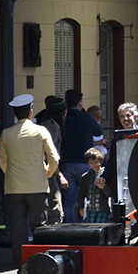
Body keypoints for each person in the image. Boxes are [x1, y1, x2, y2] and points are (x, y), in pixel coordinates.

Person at [0, 94, 59, 273]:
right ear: (31, 112)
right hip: (38, 186)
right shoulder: (40, 131)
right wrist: (47, 172)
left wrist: (11, 175)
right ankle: (39, 267)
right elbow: (54, 158)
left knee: (18, 232)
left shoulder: (6, 133)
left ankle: (22, 269)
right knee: (39, 228)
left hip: (14, 188)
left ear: (15, 114)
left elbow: (2, 160)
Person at [58, 90, 103, 224]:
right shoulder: (86, 117)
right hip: (85, 163)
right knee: (88, 198)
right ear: (80, 103)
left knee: (69, 201)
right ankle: (86, 230)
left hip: (66, 163)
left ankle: (68, 231)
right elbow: (99, 131)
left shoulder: (62, 119)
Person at [35, 95, 70, 224]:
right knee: (55, 208)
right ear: (62, 112)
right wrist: (59, 175)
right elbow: (50, 154)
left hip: (43, 171)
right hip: (48, 172)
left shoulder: (43, 122)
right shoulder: (53, 127)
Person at [76, 147, 110, 223]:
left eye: (95, 162)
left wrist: (104, 187)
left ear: (100, 161)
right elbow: (81, 193)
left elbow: (110, 193)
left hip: (103, 210)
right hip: (90, 210)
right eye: (90, 163)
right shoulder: (85, 177)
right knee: (90, 230)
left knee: (101, 230)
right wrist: (81, 207)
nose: (93, 165)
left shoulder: (105, 174)